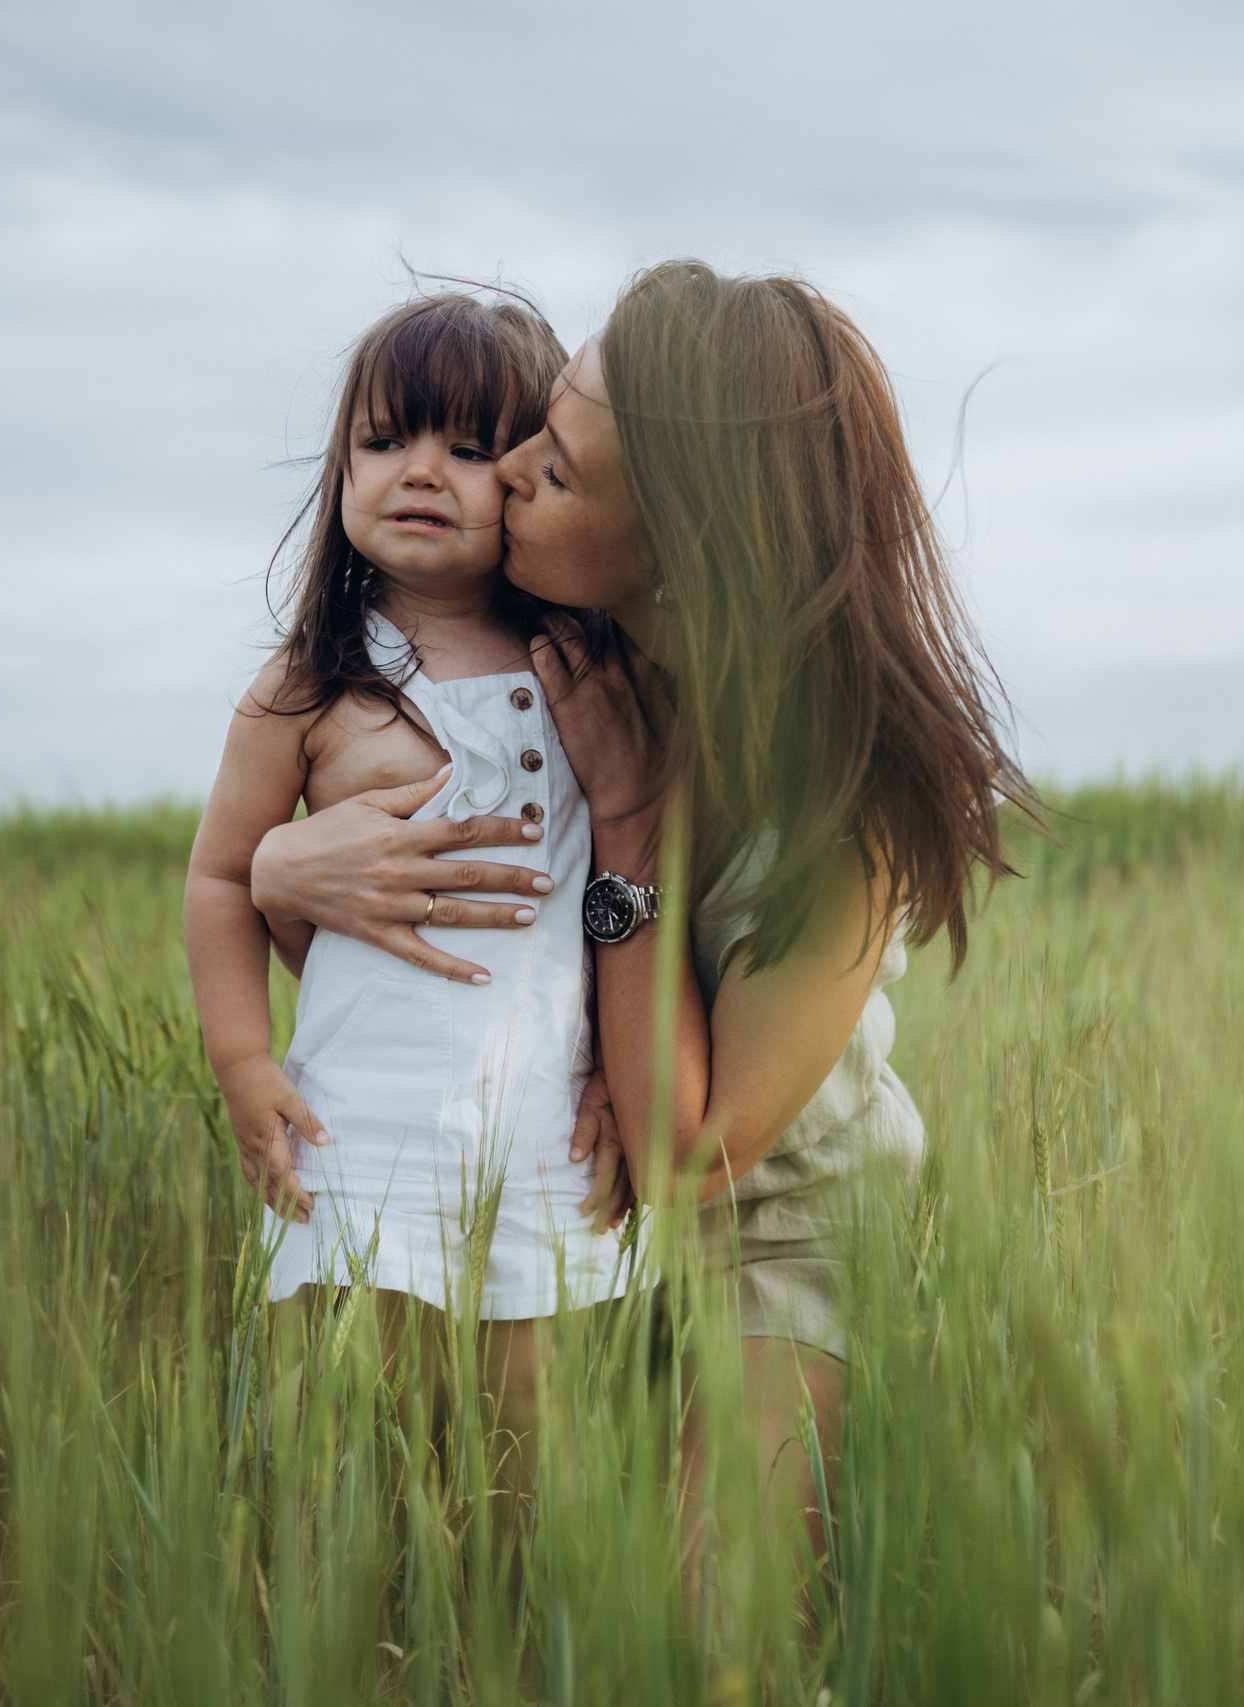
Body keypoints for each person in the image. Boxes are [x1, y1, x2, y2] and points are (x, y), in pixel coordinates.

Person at [248, 259, 1031, 1591]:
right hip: (554, 1211)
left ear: (679, 526)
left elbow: (686, 1149)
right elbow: (444, 952)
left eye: (555, 461)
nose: (512, 473)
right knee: (466, 1579)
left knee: (680, 1628)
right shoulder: (561, 656)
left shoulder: (843, 799)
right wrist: (278, 864)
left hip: (757, 1245)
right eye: (538, 427)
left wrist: (626, 831)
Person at [181, 291, 707, 1476]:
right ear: (341, 466)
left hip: (543, 1128)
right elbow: (220, 876)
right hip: (354, 1122)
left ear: (529, 473)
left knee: (533, 1452)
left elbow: (651, 876)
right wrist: (243, 1061)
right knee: (343, 1447)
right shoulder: (308, 683)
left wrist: (630, 1079)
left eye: (469, 448)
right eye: (385, 441)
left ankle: (504, 1655)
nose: (421, 470)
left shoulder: (594, 671)